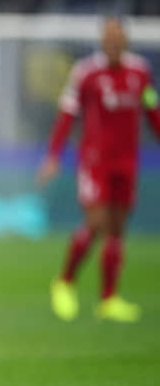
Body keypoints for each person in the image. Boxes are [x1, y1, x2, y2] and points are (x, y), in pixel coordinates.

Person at [37, 16, 160, 323]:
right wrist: (54, 155)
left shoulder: (140, 72)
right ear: (102, 41)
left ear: (126, 40)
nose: (114, 42)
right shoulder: (86, 73)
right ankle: (64, 281)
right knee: (96, 223)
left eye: (118, 37)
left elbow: (152, 111)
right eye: (109, 37)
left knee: (117, 228)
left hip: (127, 161)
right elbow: (67, 115)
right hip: (95, 161)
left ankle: (108, 299)